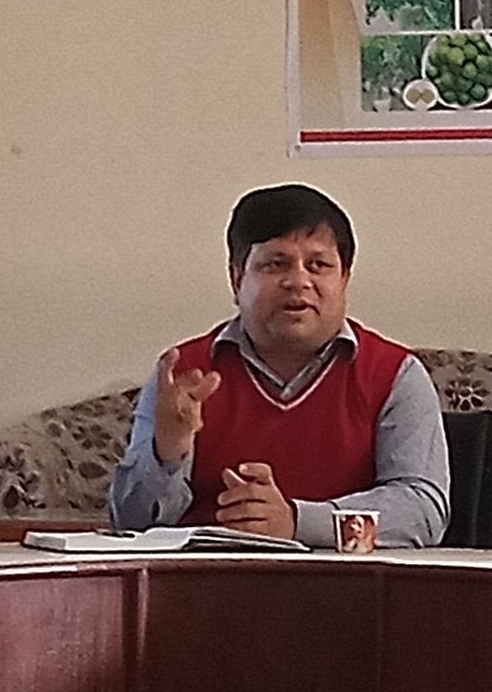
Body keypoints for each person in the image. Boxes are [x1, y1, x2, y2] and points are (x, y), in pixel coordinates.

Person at [109, 184, 449, 548]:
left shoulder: (396, 375)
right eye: (275, 264)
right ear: (237, 278)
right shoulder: (184, 377)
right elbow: (128, 525)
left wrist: (296, 521)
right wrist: (167, 454)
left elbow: (423, 512)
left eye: (318, 265)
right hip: (204, 579)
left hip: (348, 582)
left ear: (345, 278)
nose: (298, 281)